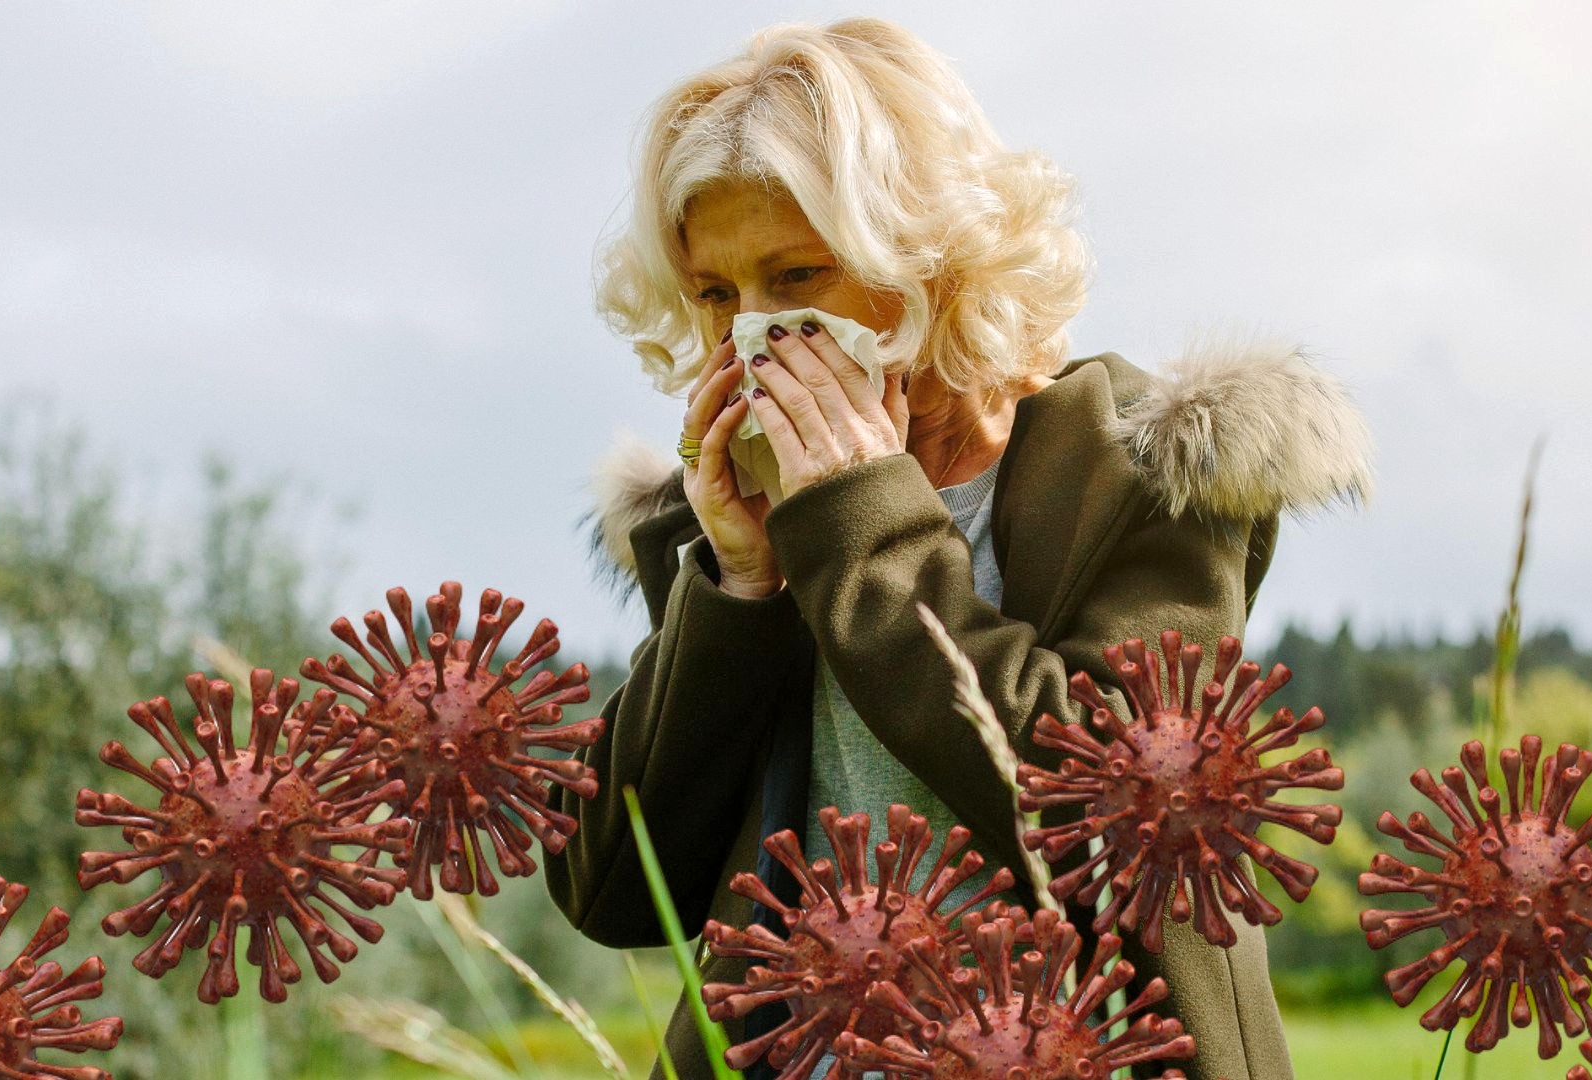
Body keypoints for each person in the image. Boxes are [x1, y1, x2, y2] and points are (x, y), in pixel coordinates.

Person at [544, 16, 1374, 1080]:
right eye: (717, 293)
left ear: (929, 264)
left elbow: (1120, 823)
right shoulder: (731, 519)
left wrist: (862, 524)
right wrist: (740, 587)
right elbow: (611, 888)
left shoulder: (1144, 472)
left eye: (796, 276)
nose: (751, 334)